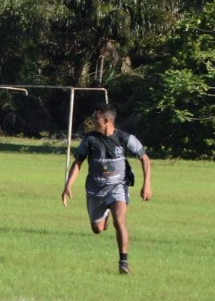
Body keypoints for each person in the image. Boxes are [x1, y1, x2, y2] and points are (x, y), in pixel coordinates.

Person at [61, 104, 152, 274]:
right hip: (95, 189)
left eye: (96, 117)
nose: (93, 119)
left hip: (118, 187)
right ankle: (106, 213)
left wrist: (146, 185)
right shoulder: (89, 139)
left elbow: (145, 159)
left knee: (120, 221)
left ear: (106, 120)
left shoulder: (125, 138)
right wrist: (68, 185)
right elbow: (78, 162)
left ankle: (123, 262)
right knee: (97, 229)